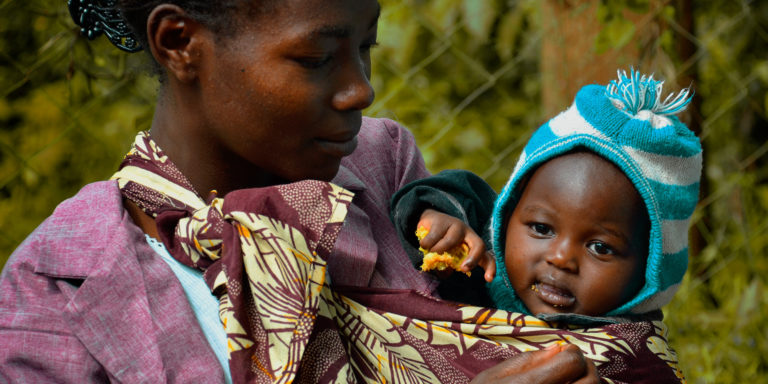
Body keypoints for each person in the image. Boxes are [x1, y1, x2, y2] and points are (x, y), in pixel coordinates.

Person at [0, 0, 598, 383]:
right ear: (179, 41)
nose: (360, 90)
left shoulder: (388, 172)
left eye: (366, 48)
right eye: (316, 58)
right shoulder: (58, 295)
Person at [390, 69, 700, 378]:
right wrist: (439, 223)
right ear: (507, 216)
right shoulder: (480, 264)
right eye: (541, 228)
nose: (561, 258)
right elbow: (445, 195)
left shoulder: (640, 357)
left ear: (650, 272)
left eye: (600, 247)